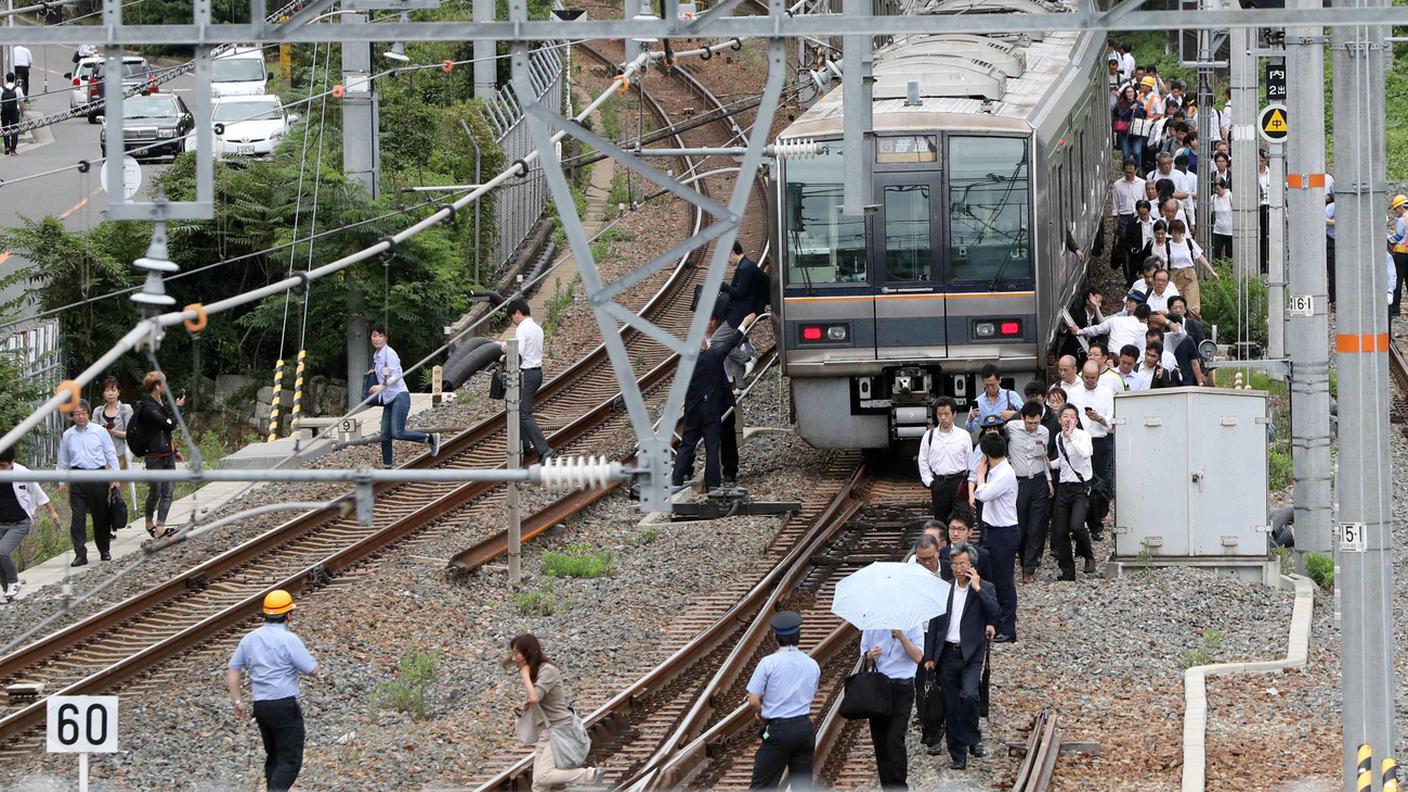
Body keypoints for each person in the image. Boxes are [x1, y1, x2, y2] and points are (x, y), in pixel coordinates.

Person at [226, 590, 320, 792]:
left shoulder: (249, 639)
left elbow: (233, 669)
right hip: (284, 705)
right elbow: (312, 669)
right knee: (290, 760)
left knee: (275, 757)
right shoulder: (289, 639)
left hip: (261, 707)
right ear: (288, 615)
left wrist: (237, 701)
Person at [923, 542, 998, 771]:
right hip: (947, 653)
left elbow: (995, 612)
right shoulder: (944, 588)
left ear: (972, 565)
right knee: (951, 705)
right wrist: (929, 656)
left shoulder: (984, 587)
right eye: (954, 564)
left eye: (962, 564)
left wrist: (977, 587)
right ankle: (958, 754)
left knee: (969, 696)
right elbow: (934, 624)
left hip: (971, 654)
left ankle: (972, 736)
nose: (957, 568)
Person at [506, 634, 604, 792]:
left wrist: (524, 676)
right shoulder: (537, 672)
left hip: (559, 729)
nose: (513, 658)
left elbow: (535, 697)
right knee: (538, 786)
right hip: (547, 731)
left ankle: (590, 775)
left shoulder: (548, 671)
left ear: (528, 653)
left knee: (542, 776)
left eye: (516, 653)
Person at [672, 312, 753, 491]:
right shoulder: (714, 356)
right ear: (703, 347)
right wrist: (744, 324)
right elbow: (731, 342)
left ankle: (676, 481)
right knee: (712, 446)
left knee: (687, 444)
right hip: (711, 410)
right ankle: (713, 484)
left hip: (692, 409)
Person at [747, 611, 820, 788]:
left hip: (778, 730)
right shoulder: (812, 664)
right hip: (804, 729)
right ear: (799, 635)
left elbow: (753, 700)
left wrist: (761, 714)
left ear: (775, 636)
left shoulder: (768, 663)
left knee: (762, 786)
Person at [859, 621, 924, 789]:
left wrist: (902, 637)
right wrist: (869, 656)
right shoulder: (873, 622)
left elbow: (918, 657)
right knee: (880, 740)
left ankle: (899, 786)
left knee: (894, 738)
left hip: (903, 686)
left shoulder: (913, 622)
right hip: (879, 686)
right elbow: (864, 653)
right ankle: (886, 785)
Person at [56, 399, 120, 566]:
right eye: (77, 414)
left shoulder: (99, 431)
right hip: (77, 478)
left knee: (101, 516)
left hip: (98, 476)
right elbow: (63, 460)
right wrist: (61, 481)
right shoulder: (68, 435)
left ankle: (104, 550)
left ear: (88, 414)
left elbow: (110, 454)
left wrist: (115, 477)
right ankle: (80, 554)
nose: (80, 417)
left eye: (83, 413)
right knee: (78, 518)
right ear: (72, 416)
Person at [369, 323, 442, 468]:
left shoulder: (389, 353)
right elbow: (385, 372)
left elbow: (396, 374)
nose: (377, 339)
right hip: (389, 398)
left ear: (386, 338)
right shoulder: (377, 355)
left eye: (380, 336)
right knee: (385, 435)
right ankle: (387, 467)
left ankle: (429, 437)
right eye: (374, 335)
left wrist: (380, 386)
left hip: (399, 396)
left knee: (397, 432)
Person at [971, 433, 1018, 642]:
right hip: (992, 530)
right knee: (989, 577)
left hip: (1004, 532)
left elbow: (983, 494)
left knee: (1004, 581)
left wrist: (980, 474)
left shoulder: (1004, 473)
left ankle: (1008, 629)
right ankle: (995, 622)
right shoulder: (997, 470)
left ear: (986, 454)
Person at [0, 446, 61, 602]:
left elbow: (39, 494)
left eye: (3, 467)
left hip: (20, 522)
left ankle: (14, 582)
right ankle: (9, 590)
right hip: (1, 522)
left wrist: (53, 513)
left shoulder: (23, 473)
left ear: (12, 462)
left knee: (2, 552)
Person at [1064, 362, 1115, 539]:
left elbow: (1111, 422)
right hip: (1079, 440)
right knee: (1080, 483)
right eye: (1086, 377)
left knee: (1100, 485)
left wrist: (1099, 418)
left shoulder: (1107, 394)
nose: (1089, 381)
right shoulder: (1073, 393)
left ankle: (1097, 524)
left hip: (1100, 441)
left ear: (1099, 377)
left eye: (1093, 378)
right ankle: (1080, 523)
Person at [132, 371, 184, 538]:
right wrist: (178, 409)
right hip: (154, 456)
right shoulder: (148, 408)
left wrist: (174, 450)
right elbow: (169, 425)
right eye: (164, 384)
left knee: (168, 491)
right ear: (157, 386)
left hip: (167, 454)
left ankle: (160, 527)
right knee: (155, 491)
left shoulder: (161, 404)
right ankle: (149, 522)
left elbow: (165, 432)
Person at [908, 536, 946, 757]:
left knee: (947, 683)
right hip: (921, 635)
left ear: (938, 552)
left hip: (945, 635)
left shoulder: (950, 570)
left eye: (930, 558)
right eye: (922, 560)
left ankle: (947, 725)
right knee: (924, 687)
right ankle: (930, 733)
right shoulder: (910, 574)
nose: (927, 564)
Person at [1006, 401, 1052, 584]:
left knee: (1036, 527)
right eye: (1029, 423)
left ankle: (1029, 569)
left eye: (1036, 422)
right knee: (1021, 528)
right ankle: (1024, 559)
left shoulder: (1045, 432)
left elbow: (1043, 457)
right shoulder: (1011, 428)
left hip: (1039, 481)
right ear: (1022, 418)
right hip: (1019, 483)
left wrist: (1049, 480)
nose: (1033, 427)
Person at [1050, 405, 1096, 580]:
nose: (1068, 419)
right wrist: (1047, 463)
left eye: (1072, 416)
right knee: (1060, 531)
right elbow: (1063, 461)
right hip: (1064, 486)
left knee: (1076, 525)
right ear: (1060, 419)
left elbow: (1086, 453)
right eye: (1065, 416)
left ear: (1077, 420)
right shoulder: (1058, 437)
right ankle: (1068, 571)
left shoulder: (1083, 436)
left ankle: (1088, 555)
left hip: (1080, 487)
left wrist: (1071, 438)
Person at [717, 241, 770, 385]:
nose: (727, 261)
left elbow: (740, 292)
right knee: (735, 344)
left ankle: (747, 359)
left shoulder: (745, 269)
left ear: (732, 253)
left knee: (717, 341)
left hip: (739, 315)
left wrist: (723, 286)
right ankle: (740, 385)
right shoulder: (747, 266)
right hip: (743, 312)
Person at [917, 397, 971, 523]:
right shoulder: (929, 436)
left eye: (946, 414)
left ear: (954, 414)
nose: (943, 418)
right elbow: (923, 460)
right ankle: (944, 543)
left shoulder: (963, 436)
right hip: (939, 483)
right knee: (941, 521)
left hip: (959, 482)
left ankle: (960, 543)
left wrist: (969, 484)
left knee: (961, 520)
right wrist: (930, 482)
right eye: (940, 414)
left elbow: (970, 461)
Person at [1164, 219, 1219, 318]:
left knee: (1192, 307)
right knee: (1176, 306)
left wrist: (1212, 271)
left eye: (1179, 232)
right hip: (1174, 277)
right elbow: (1165, 264)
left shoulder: (1189, 242)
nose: (1176, 235)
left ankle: (1195, 327)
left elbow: (1200, 257)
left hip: (1189, 275)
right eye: (1174, 232)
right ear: (1170, 232)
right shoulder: (1167, 246)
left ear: (1182, 232)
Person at [965, 364, 1023, 434]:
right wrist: (971, 419)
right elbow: (970, 430)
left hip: (1008, 438)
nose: (990, 388)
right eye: (987, 385)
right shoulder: (978, 401)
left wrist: (1014, 414)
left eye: (993, 385)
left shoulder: (1011, 396)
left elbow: (1027, 415)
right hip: (989, 440)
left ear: (999, 380)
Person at [940, 507, 991, 581]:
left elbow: (989, 585)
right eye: (952, 528)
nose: (955, 533)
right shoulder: (942, 553)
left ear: (970, 531)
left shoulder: (982, 555)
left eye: (960, 529)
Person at [1389, 194, 1408, 316]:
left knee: (1398, 281)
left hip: (1402, 254)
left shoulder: (1403, 219)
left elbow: (1398, 236)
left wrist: (1389, 240)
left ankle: (1395, 308)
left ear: (1402, 207)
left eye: (1396, 208)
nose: (1396, 211)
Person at [0, 72, 23, 156]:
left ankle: (7, 147)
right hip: (14, 111)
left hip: (4, 111)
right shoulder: (17, 89)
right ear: (14, 79)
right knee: (15, 129)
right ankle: (13, 150)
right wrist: (22, 113)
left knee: (5, 129)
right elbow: (21, 102)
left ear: (6, 79)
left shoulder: (1, 89)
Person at [1211, 178, 1233, 261]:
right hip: (1218, 230)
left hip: (1229, 231)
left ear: (1223, 187)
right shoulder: (1213, 198)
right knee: (1217, 254)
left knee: (1229, 254)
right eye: (1215, 189)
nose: (1216, 191)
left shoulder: (1230, 196)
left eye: (1218, 189)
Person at [1325, 191, 1336, 308]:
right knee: (1333, 272)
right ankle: (1333, 299)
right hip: (1333, 241)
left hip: (1350, 243)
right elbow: (1323, 219)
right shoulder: (1331, 207)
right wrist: (1335, 222)